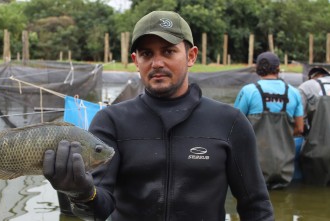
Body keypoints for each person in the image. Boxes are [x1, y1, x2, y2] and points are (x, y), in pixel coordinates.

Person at [43, 11, 274, 220]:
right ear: (136, 61)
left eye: (169, 51)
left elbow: (256, 206)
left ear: (191, 56)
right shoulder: (110, 121)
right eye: (146, 53)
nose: (157, 63)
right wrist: (81, 193)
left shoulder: (230, 123)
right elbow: (99, 208)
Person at [234, 52, 304, 189]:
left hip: (255, 170)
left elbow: (234, 125)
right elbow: (300, 128)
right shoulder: (294, 92)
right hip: (285, 169)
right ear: (278, 68)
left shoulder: (249, 91)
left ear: (257, 68)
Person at [298, 66, 330, 186]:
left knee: (315, 189)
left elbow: (300, 121)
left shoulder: (306, 86)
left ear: (313, 76)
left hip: (318, 152)